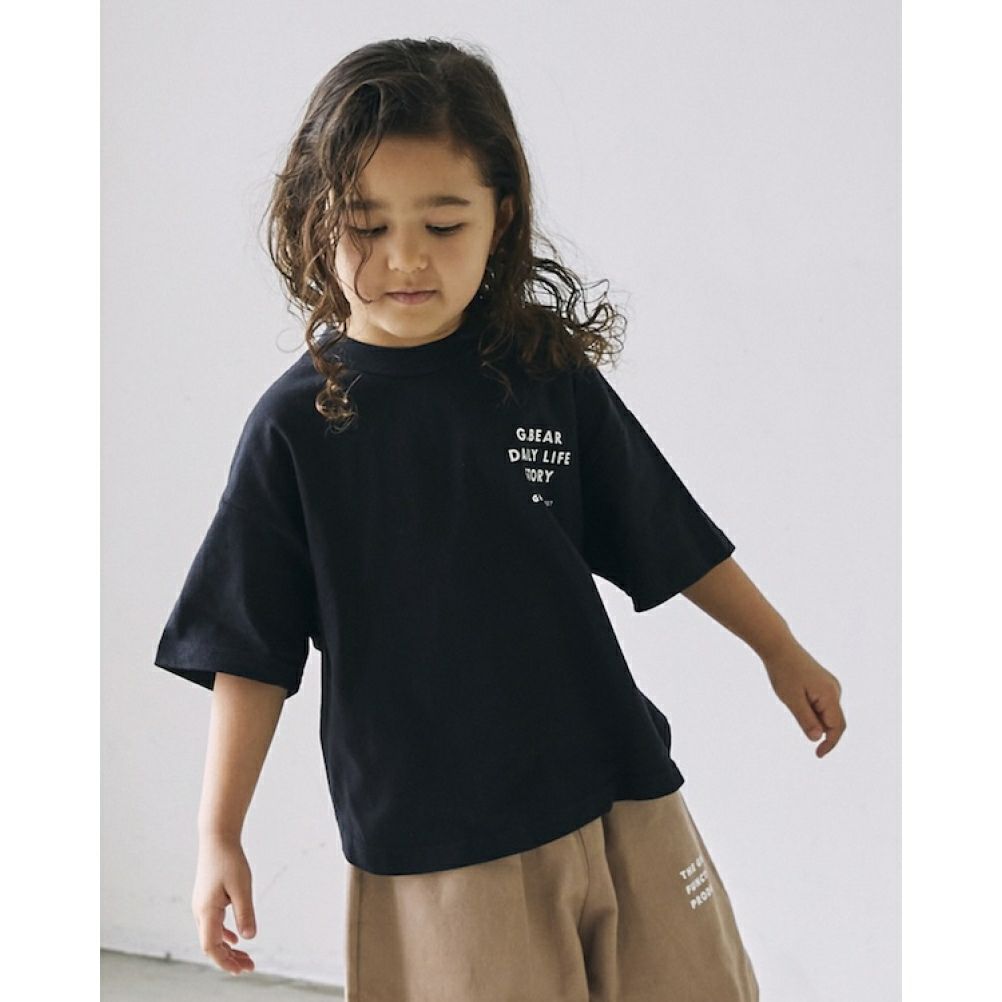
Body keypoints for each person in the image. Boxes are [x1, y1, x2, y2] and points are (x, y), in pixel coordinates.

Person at [154, 37, 846, 1001]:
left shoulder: (542, 373)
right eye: (366, 225)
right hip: (441, 840)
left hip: (617, 785)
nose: (406, 257)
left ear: (501, 217)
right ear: (315, 221)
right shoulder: (295, 430)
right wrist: (217, 833)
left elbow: (665, 526)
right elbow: (250, 647)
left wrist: (779, 647)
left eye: (443, 224)